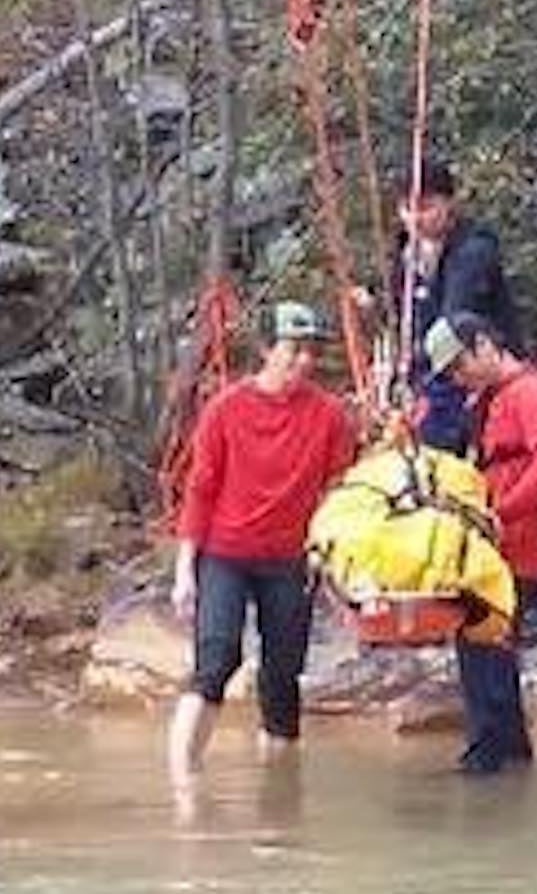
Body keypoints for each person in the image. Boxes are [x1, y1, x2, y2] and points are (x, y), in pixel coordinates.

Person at [166, 300, 355, 790]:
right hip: (225, 552)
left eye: (311, 352)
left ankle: (278, 797)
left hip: (289, 558)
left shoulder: (329, 415)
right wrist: (186, 571)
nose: (304, 362)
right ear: (267, 350)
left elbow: (341, 489)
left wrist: (333, 555)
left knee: (282, 676)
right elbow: (200, 490)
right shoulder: (226, 409)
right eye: (293, 350)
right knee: (215, 660)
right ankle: (183, 784)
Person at [424, 312, 537, 773]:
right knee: (487, 655)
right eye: (451, 373)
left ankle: (488, 765)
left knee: (484, 654)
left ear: (484, 345)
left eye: (459, 366)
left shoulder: (528, 393)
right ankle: (507, 761)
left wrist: (502, 512)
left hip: (514, 548)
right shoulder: (490, 400)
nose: (458, 378)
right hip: (494, 549)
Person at [390, 157, 523, 456]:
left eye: (426, 207)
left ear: (449, 203)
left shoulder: (473, 250)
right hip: (433, 374)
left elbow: (452, 323)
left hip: (474, 369)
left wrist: (416, 365)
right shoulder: (406, 251)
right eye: (407, 209)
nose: (415, 219)